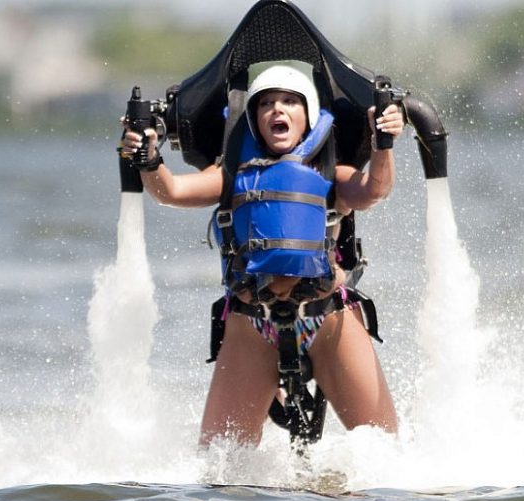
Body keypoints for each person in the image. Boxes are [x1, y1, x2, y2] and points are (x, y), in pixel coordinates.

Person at [120, 64, 404, 446]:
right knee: (221, 467)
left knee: (383, 452)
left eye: (289, 102)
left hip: (327, 321)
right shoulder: (230, 174)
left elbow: (374, 191)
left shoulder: (332, 173)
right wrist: (149, 158)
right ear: (254, 118)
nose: (277, 110)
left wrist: (382, 145)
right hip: (251, 325)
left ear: (308, 115)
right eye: (266, 103)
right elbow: (169, 191)